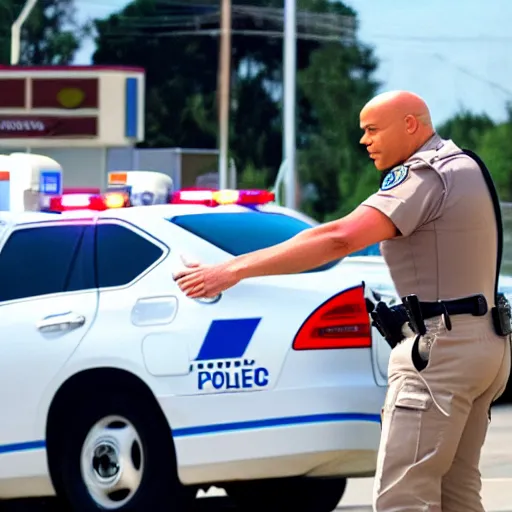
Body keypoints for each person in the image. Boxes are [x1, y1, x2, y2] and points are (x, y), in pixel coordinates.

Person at [174, 90, 511, 511]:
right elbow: (324, 233)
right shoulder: (463, 164)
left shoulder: (424, 174)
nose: (364, 141)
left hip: (440, 353)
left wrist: (230, 271)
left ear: (410, 125)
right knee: (455, 495)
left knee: (402, 498)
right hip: (483, 344)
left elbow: (339, 238)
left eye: (372, 129)